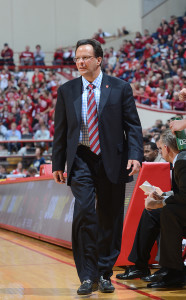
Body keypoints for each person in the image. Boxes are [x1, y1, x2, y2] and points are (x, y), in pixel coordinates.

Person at [52, 39, 143, 295]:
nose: (80, 62)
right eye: (77, 58)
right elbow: (60, 130)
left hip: (112, 159)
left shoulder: (120, 87)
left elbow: (133, 126)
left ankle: (104, 273)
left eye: (85, 57)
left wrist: (135, 155)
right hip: (81, 158)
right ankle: (86, 275)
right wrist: (58, 162)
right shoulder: (66, 90)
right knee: (84, 214)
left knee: (111, 216)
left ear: (98, 59)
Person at [144, 129, 186, 288]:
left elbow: (184, 195)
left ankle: (173, 271)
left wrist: (161, 202)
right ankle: (141, 265)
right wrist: (164, 196)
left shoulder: (182, 161)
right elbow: (181, 193)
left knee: (168, 212)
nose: (160, 152)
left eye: (160, 148)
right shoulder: (180, 161)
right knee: (151, 213)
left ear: (167, 148)